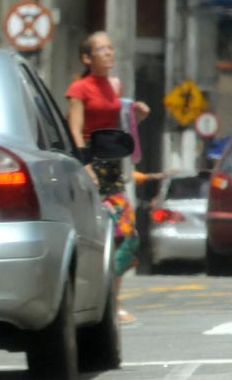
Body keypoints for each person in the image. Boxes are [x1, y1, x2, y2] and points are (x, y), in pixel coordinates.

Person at [65, 30, 162, 324]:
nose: (109, 53)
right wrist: (85, 166)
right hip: (90, 167)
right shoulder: (79, 89)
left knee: (125, 235)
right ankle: (89, 299)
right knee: (95, 235)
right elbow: (74, 129)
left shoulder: (114, 86)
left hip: (113, 168)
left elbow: (120, 122)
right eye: (101, 49)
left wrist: (137, 115)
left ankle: (112, 300)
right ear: (87, 58)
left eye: (110, 48)